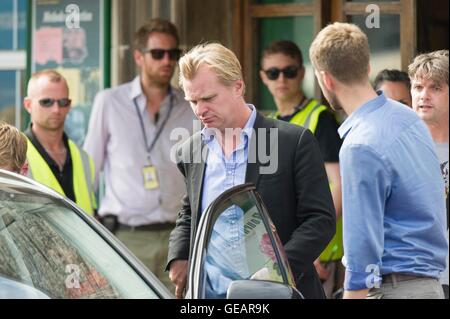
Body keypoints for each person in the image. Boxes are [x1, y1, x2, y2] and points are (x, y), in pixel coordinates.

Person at [167, 42, 336, 299]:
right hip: (211, 294)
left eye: (209, 98)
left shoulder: (293, 141)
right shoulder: (190, 151)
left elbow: (320, 221)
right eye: (193, 101)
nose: (200, 110)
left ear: (238, 86)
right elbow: (191, 212)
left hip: (282, 293)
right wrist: (179, 256)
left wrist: (276, 273)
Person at [309, 22, 447, 299]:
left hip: (393, 288)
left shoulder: (359, 145)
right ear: (367, 68)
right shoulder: (408, 117)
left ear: (326, 79)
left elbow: (362, 256)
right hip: (429, 287)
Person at [83, 19, 196, 290]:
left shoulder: (190, 105)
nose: (167, 61)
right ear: (138, 57)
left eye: (173, 54)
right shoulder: (109, 102)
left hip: (179, 237)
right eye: (158, 54)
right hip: (126, 237)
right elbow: (89, 171)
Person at [260, 40, 344, 298]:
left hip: (319, 256)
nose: (281, 78)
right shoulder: (269, 123)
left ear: (303, 72)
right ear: (263, 77)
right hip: (282, 257)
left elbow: (339, 183)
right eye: (274, 73)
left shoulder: (321, 118)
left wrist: (313, 249)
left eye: (290, 71)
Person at [23, 70, 96, 215]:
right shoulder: (14, 154)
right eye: (46, 102)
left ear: (69, 105)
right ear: (28, 105)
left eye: (63, 102)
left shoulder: (84, 158)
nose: (56, 109)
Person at [409, 49, 449, 299]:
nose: (424, 96)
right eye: (418, 87)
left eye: (435, 87)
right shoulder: (397, 146)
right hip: (415, 279)